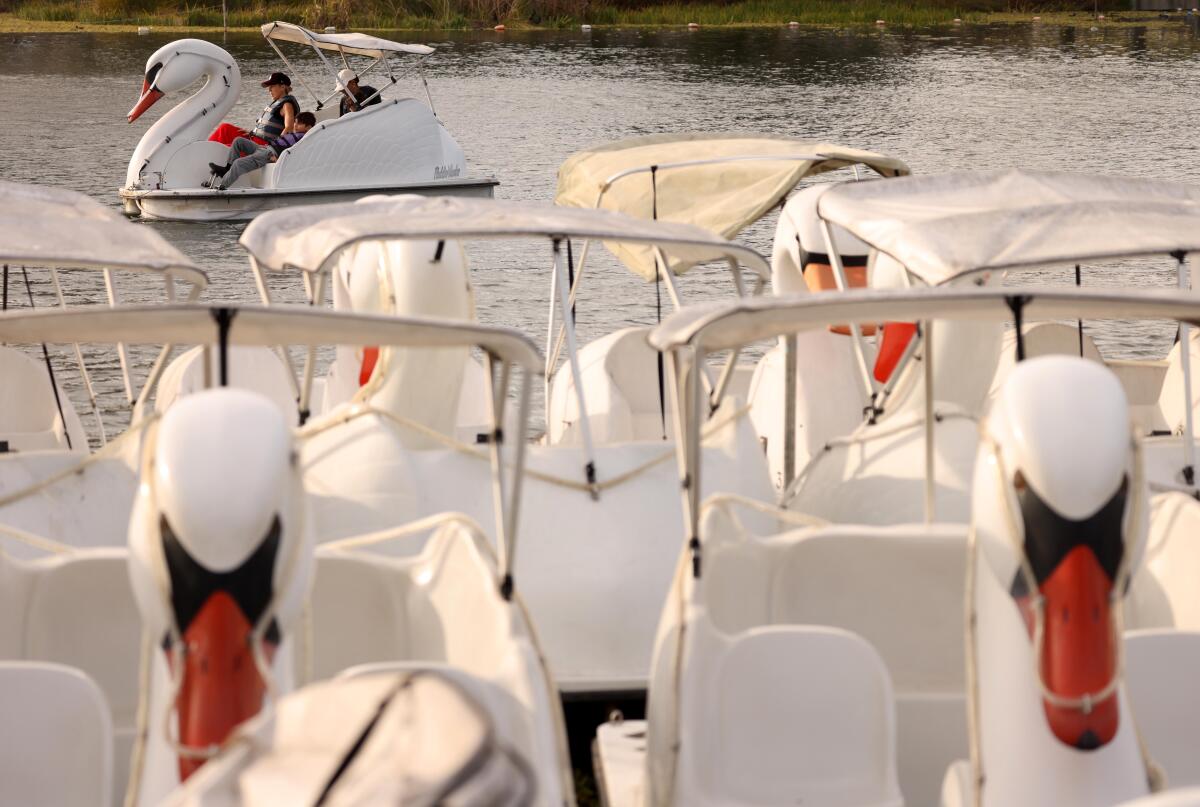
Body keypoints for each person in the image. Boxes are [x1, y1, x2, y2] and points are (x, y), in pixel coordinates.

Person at [205, 111, 316, 190]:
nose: (295, 125)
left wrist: (277, 159)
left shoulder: (304, 139)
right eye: (295, 122)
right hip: (264, 148)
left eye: (299, 123)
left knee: (239, 163)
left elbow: (294, 154)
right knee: (238, 141)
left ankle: (222, 186)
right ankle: (227, 169)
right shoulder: (295, 135)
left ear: (308, 127)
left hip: (269, 154)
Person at [208, 72, 300, 147]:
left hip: (263, 145)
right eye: (269, 87)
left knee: (227, 147)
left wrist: (275, 148)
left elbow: (289, 128)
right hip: (254, 138)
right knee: (225, 128)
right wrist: (253, 133)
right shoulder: (278, 103)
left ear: (282, 87)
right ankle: (205, 148)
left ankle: (210, 153)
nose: (269, 90)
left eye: (272, 86)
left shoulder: (287, 105)